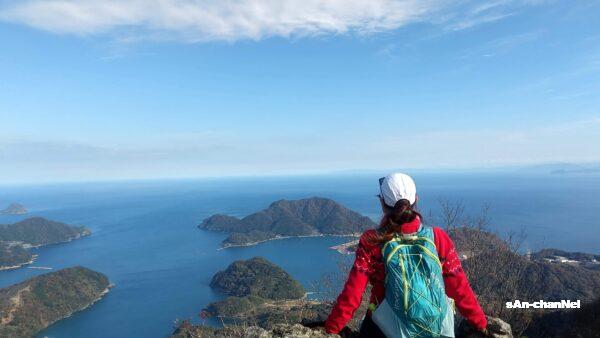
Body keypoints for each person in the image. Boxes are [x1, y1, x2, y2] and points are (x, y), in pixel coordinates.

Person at [324, 173, 488, 337]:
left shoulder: (372, 241)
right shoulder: (439, 238)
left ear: (382, 203)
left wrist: (331, 328)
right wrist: (481, 324)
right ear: (416, 199)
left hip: (384, 329)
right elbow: (460, 290)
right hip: (435, 329)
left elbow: (352, 295)